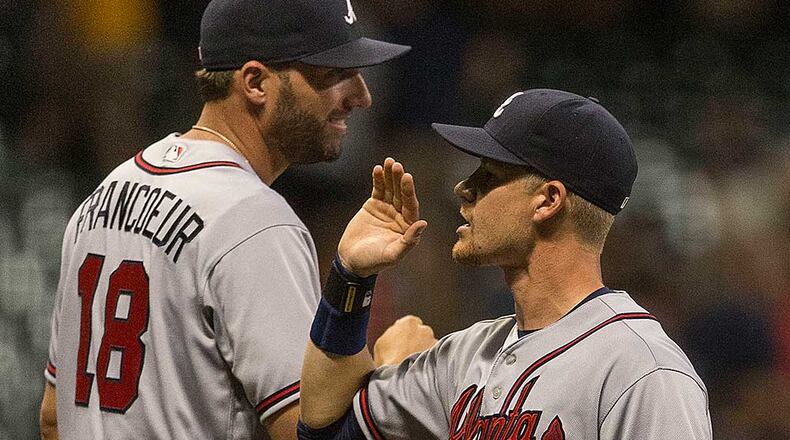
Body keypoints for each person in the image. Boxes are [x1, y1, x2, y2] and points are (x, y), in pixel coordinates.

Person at [37, 0, 427, 438]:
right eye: (334, 73)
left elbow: (54, 418)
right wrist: (398, 378)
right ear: (255, 82)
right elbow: (306, 432)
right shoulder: (254, 222)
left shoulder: (102, 198)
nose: (361, 96)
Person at [297, 89, 713, 439]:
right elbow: (325, 429)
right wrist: (351, 277)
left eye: (489, 174)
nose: (463, 187)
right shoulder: (461, 357)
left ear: (548, 201)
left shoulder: (643, 371)